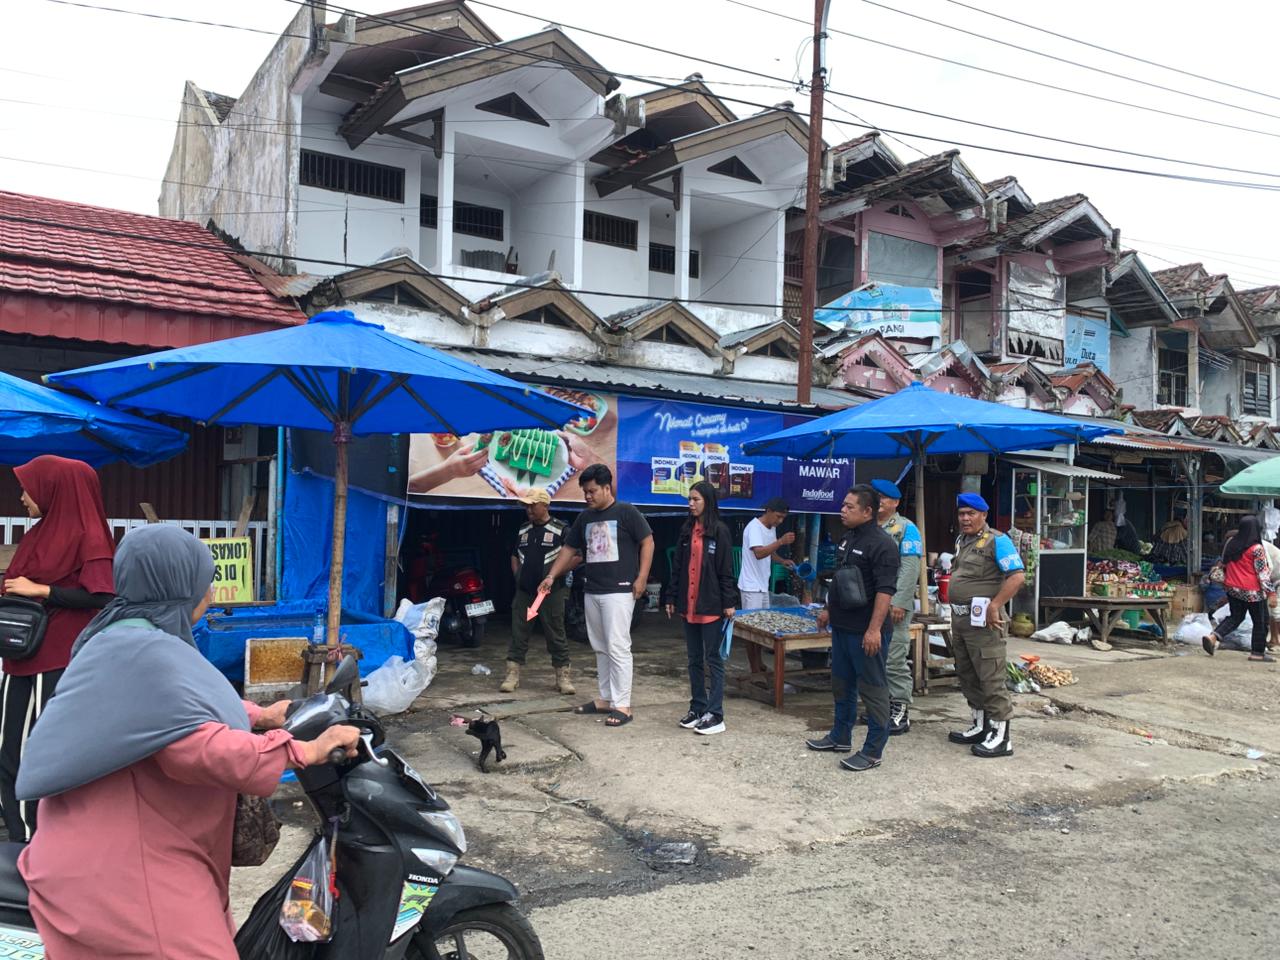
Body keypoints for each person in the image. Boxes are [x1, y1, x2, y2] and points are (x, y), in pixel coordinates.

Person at [15, 525, 360, 959]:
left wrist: (259, 714)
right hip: (125, 876)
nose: (211, 595)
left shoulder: (125, 635)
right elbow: (196, 748)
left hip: (123, 846)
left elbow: (170, 706)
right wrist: (302, 750)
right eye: (204, 582)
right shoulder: (142, 651)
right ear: (176, 585)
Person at [0, 455, 115, 841]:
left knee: (30, 750)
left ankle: (33, 838)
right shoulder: (41, 531)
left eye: (28, 487)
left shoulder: (91, 534)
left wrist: (43, 590)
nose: (22, 497)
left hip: (53, 660)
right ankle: (22, 832)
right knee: (9, 747)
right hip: (21, 654)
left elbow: (101, 596)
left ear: (54, 488)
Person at [541, 464, 653, 728]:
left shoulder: (626, 512)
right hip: (593, 590)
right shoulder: (585, 517)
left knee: (617, 647)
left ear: (606, 487)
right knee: (600, 647)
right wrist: (551, 575)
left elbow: (648, 541)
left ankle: (623, 704)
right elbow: (569, 549)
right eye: (585, 492)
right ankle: (605, 698)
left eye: (592, 491)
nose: (588, 496)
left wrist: (642, 578)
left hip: (620, 590)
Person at [806, 485, 899, 772]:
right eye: (843, 505)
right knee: (841, 684)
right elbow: (840, 580)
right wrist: (827, 609)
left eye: (849, 507)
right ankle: (840, 735)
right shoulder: (848, 538)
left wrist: (874, 630)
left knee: (873, 689)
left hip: (867, 632)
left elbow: (885, 592)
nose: (842, 510)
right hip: (842, 627)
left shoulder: (883, 545)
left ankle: (873, 750)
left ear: (868, 512)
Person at [946, 493, 1026, 758]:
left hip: (985, 621)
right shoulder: (963, 541)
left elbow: (1017, 577)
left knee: (991, 677)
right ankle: (981, 726)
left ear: (984, 515)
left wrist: (995, 604)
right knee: (967, 674)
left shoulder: (997, 541)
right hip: (961, 619)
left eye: (971, 513)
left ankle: (1002, 738)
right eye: (961, 514)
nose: (965, 518)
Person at [665, 481, 738, 736]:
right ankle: (697, 707)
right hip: (689, 605)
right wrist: (671, 596)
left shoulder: (720, 531)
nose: (691, 504)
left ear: (707, 501)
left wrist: (729, 603)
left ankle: (715, 713)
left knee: (713, 659)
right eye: (689, 499)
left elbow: (726, 571)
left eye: (695, 499)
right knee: (693, 659)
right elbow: (677, 567)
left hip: (712, 606)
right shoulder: (687, 531)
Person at [501, 487, 575, 696]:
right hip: (525, 593)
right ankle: (512, 675)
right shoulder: (523, 529)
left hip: (551, 593)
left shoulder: (561, 530)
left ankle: (563, 677)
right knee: (519, 633)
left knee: (555, 633)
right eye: (526, 506)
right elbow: (514, 555)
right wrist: (518, 576)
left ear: (545, 505)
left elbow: (576, 557)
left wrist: (553, 575)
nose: (529, 510)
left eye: (533, 505)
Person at [873, 479, 922, 736]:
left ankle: (899, 710)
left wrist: (900, 601)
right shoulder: (868, 525)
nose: (879, 501)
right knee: (873, 658)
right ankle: (879, 708)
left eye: (884, 498)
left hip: (893, 605)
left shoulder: (906, 528)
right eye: (876, 496)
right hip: (869, 604)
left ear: (896, 502)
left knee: (893, 658)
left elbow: (910, 567)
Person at [1203, 516, 1275, 662]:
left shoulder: (1231, 543)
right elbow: (1263, 574)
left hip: (1233, 589)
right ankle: (1257, 653)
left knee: (1235, 617)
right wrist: (1271, 593)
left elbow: (1224, 563)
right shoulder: (1256, 549)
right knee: (1260, 621)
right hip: (1253, 592)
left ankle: (1213, 637)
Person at [738, 498, 794, 609]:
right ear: (768, 511)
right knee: (751, 624)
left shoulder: (772, 528)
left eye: (783, 518)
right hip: (751, 587)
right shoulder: (754, 527)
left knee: (763, 622)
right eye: (778, 516)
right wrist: (781, 541)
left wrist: (782, 561)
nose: (780, 521)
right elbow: (759, 553)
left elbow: (770, 552)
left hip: (763, 585)